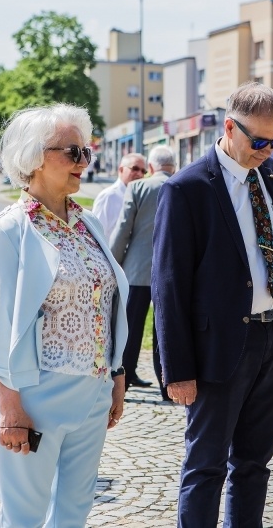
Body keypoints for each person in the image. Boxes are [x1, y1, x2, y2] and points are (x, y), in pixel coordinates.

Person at [152, 81, 273, 527]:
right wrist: (178, 369)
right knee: (206, 466)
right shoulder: (186, 189)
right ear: (229, 127)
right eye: (260, 141)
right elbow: (168, 285)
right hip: (222, 347)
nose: (269, 150)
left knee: (254, 464)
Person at [0, 103, 129, 527]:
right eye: (71, 152)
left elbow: (108, 302)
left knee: (74, 512)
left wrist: (116, 377)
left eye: (86, 152)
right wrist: (9, 407)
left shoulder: (89, 223)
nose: (83, 162)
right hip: (35, 394)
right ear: (33, 157)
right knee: (24, 516)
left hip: (94, 391)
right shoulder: (10, 230)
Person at [109, 145, 175, 396]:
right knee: (165, 330)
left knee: (131, 327)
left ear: (150, 167)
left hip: (136, 269)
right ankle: (167, 385)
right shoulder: (183, 185)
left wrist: (113, 262)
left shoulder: (138, 187)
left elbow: (124, 228)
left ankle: (122, 382)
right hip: (171, 271)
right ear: (174, 167)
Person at [92, 152, 145, 237]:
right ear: (121, 170)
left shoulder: (139, 197)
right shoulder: (108, 197)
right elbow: (96, 233)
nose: (140, 174)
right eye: (135, 169)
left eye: (143, 171)